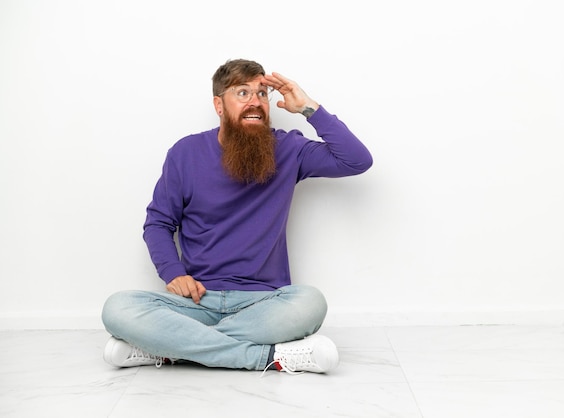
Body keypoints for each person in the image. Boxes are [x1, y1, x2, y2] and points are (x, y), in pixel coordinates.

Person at [101, 58, 373, 374]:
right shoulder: (185, 153)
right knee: (118, 308)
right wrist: (173, 273)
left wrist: (308, 108)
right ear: (219, 105)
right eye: (242, 93)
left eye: (261, 93)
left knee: (310, 302)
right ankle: (268, 358)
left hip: (263, 303)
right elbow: (159, 223)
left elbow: (356, 161)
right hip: (196, 301)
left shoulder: (288, 149)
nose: (255, 102)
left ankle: (169, 349)